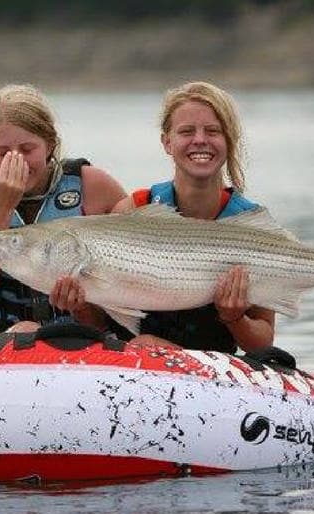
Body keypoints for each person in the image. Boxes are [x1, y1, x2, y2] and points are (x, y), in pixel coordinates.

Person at [111, 81, 275, 354]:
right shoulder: (133, 210)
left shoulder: (250, 223)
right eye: (186, 131)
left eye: (213, 131)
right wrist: (79, 305)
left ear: (229, 139)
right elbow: (100, 323)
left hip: (211, 375)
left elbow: (263, 342)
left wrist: (234, 317)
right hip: (139, 372)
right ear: (167, 142)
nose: (200, 140)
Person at [0, 84, 127, 332]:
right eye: (3, 153)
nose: (17, 161)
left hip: (89, 337)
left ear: (49, 145)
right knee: (25, 328)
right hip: (14, 342)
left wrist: (81, 306)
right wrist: (0, 211)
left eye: (27, 149)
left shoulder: (93, 185)